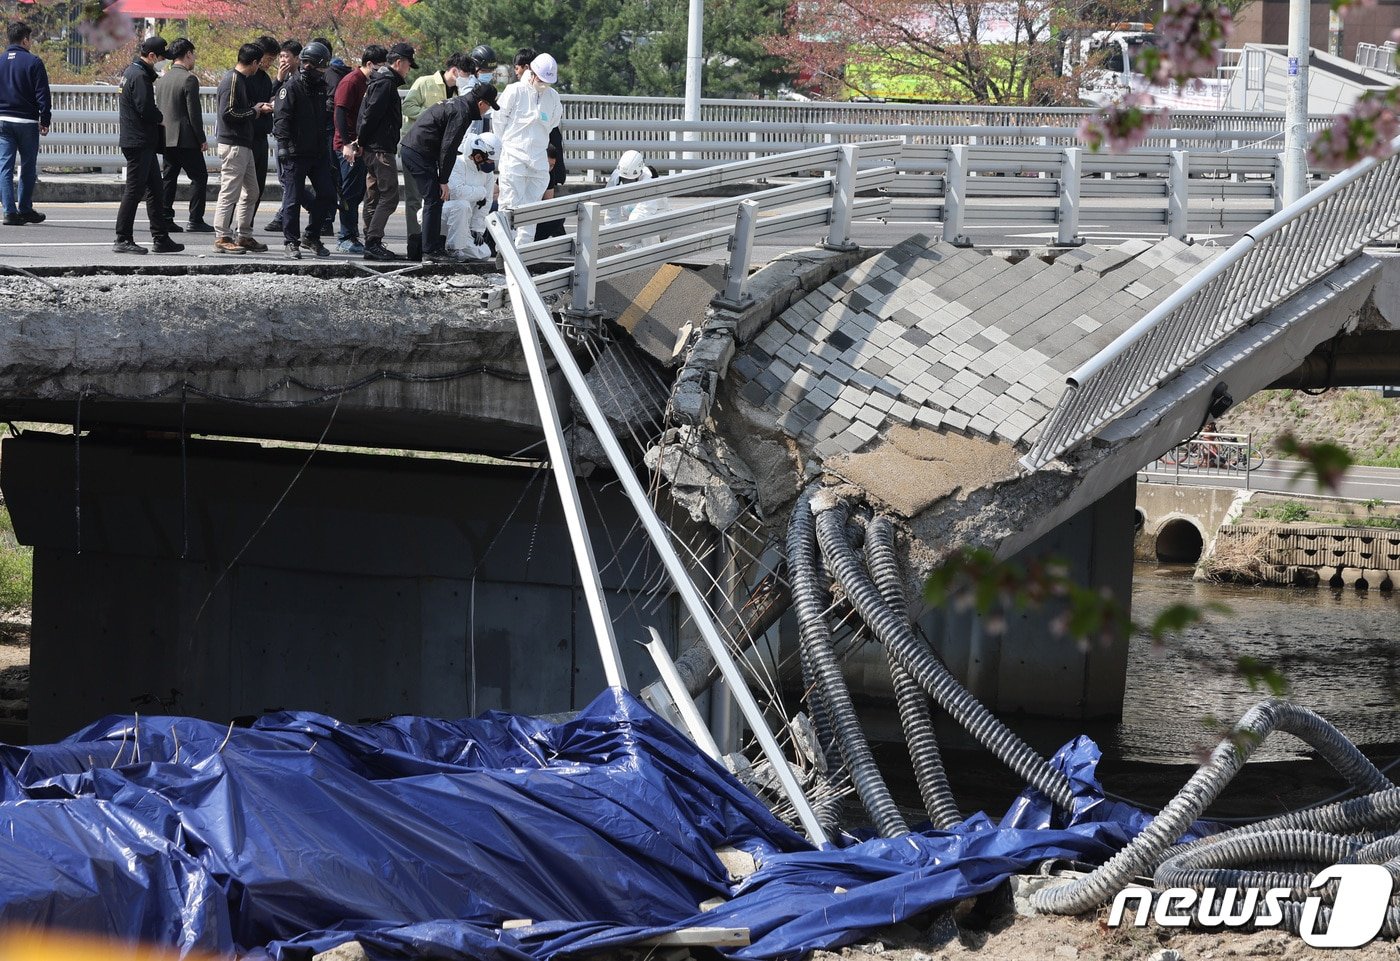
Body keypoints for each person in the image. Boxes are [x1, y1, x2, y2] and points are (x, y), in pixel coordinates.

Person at [399, 81, 498, 263]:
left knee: (434, 199)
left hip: (418, 150)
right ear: (481, 103)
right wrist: (443, 180)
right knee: (433, 199)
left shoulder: (460, 104)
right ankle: (429, 250)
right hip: (418, 151)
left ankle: (433, 247)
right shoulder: (462, 113)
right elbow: (449, 147)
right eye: (489, 106)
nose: (487, 111)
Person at [399, 49, 475, 258]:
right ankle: (414, 244)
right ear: (454, 71)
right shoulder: (425, 82)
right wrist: (433, 115)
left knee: (437, 197)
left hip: (437, 152)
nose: (466, 80)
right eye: (465, 75)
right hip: (416, 148)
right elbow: (407, 106)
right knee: (416, 199)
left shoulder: (460, 94)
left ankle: (434, 243)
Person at [114, 35, 182, 255]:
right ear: (152, 56)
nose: (165, 62)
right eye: (162, 57)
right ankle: (123, 238)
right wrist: (160, 117)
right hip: (139, 140)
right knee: (134, 191)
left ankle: (161, 238)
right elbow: (146, 108)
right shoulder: (140, 76)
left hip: (140, 140)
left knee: (155, 190)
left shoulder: (131, 72)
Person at [271, 39, 336, 259]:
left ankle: (312, 236)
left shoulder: (320, 87)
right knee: (293, 199)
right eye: (321, 67)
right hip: (294, 153)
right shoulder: (290, 87)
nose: (323, 71)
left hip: (317, 152)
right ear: (309, 64)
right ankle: (291, 242)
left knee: (327, 195)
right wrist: (284, 148)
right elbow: (281, 121)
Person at [212, 42, 273, 254]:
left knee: (252, 191)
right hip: (233, 143)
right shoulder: (232, 80)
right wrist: (255, 111)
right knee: (230, 192)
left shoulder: (239, 80)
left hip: (243, 144)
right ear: (254, 62)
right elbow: (229, 112)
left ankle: (244, 235)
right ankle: (222, 236)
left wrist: (253, 110)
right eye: (259, 63)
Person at [354, 42, 413, 260]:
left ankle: (371, 239)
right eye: (408, 65)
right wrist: (362, 140)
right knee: (389, 196)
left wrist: (362, 141)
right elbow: (370, 115)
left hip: (373, 147)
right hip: (379, 149)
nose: (408, 70)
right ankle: (373, 241)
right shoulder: (386, 84)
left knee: (374, 194)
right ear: (399, 63)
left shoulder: (379, 81)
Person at [495, 52, 559, 247]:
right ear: (531, 73)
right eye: (541, 79)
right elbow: (499, 121)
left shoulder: (553, 96)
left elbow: (553, 122)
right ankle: (504, 250)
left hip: (538, 160)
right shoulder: (514, 91)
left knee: (531, 210)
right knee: (508, 204)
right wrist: (508, 144)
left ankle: (523, 253)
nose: (543, 84)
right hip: (514, 156)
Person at [331, 44, 385, 254]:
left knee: (358, 192)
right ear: (369, 64)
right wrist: (347, 143)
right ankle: (346, 236)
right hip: (348, 147)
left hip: (361, 146)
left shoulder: (370, 82)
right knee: (349, 194)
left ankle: (352, 234)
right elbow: (340, 114)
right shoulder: (352, 81)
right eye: (379, 67)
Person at [155, 37, 211, 233]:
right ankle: (195, 219)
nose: (194, 58)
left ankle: (165, 217)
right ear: (188, 54)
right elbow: (193, 113)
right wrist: (202, 138)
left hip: (166, 137)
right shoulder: (189, 79)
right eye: (193, 54)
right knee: (199, 177)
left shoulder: (163, 80)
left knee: (169, 179)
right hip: (185, 138)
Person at [0, 22, 51, 227]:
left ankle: (9, 212)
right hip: (27, 122)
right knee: (28, 166)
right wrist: (45, 119)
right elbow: (43, 94)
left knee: (5, 167)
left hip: (3, 121)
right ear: (24, 40)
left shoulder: (1, 60)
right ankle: (25, 209)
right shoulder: (33, 62)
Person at [443, 132, 499, 260]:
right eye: (489, 159)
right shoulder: (456, 163)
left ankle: (450, 246)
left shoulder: (487, 174)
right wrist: (481, 193)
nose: (490, 163)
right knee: (462, 205)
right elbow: (457, 192)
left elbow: (487, 202)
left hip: (463, 224)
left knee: (483, 253)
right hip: (444, 215)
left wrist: (477, 228)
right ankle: (453, 249)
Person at [265, 38, 300, 234]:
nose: (283, 61)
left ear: (297, 58)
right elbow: (269, 96)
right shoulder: (283, 78)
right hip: (281, 134)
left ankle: (283, 216)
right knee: (285, 179)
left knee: (290, 180)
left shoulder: (302, 79)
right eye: (281, 57)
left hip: (295, 137)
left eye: (287, 56)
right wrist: (278, 79)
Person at [602, 149, 669, 249]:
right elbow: (611, 207)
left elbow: (642, 213)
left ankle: (653, 258)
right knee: (630, 246)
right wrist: (613, 237)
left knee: (646, 227)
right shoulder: (616, 176)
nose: (627, 184)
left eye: (631, 180)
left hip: (660, 224)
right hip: (633, 222)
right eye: (624, 180)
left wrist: (625, 240)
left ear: (640, 174)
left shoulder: (649, 180)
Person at [247, 35, 278, 221]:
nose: (270, 63)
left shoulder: (265, 79)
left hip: (261, 136)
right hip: (245, 138)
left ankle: (247, 226)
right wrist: (258, 108)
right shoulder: (242, 77)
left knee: (258, 186)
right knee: (241, 188)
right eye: (269, 58)